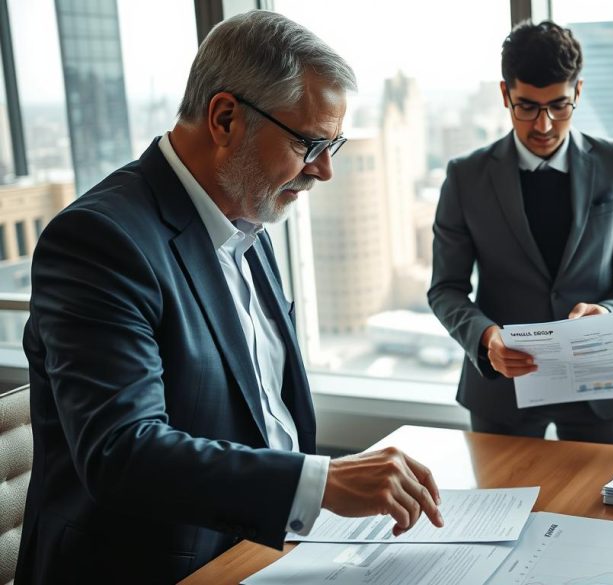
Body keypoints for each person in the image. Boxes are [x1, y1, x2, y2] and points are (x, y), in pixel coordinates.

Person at [16, 11, 441, 584]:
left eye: (333, 144)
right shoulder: (99, 240)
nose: (324, 170)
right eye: (309, 143)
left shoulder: (246, 216)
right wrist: (322, 483)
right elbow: (123, 452)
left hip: (262, 552)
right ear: (224, 119)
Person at [428, 21, 613, 447]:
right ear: (504, 95)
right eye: (527, 107)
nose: (545, 125)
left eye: (559, 106)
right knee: (501, 511)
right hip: (502, 390)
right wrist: (486, 338)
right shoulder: (466, 177)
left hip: (600, 388)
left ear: (579, 93)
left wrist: (607, 313)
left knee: (602, 509)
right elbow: (445, 288)